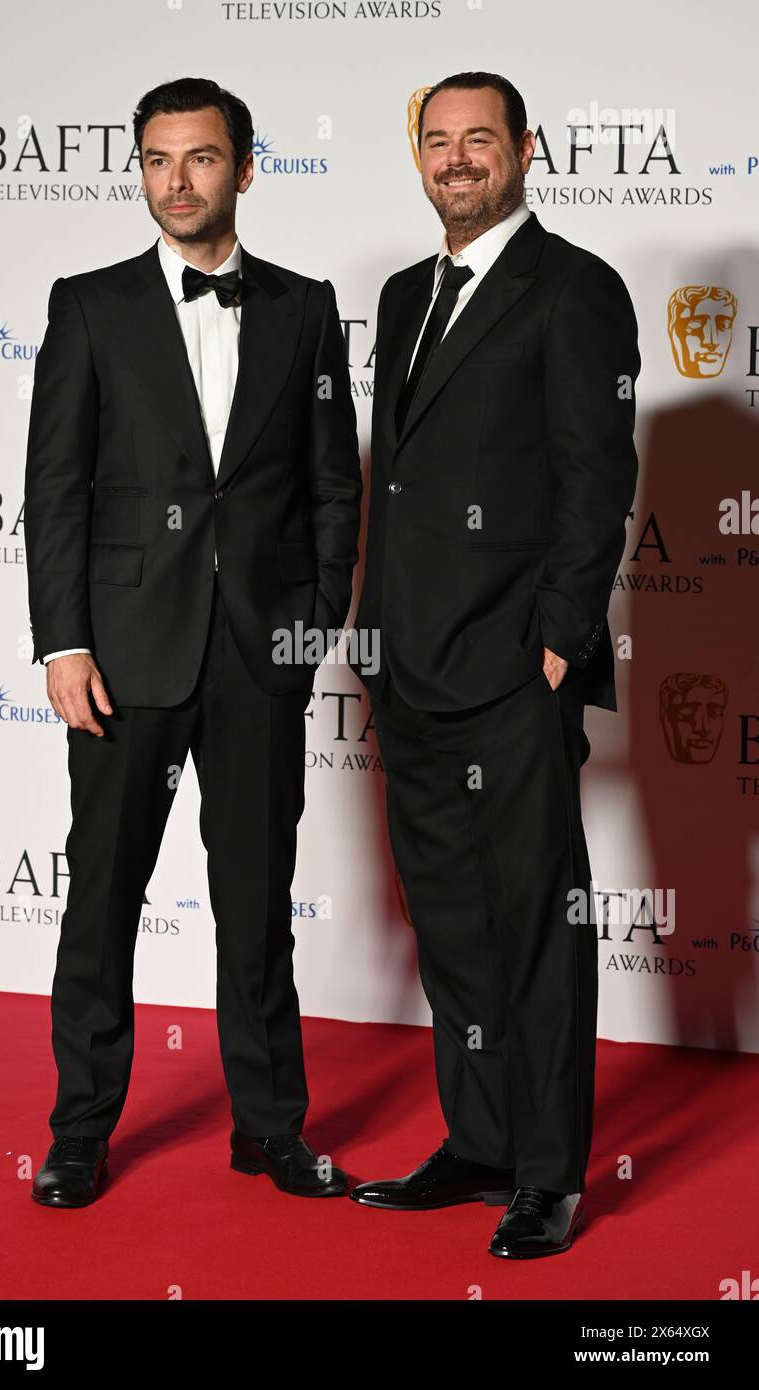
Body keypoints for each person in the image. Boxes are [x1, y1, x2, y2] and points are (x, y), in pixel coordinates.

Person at [24, 77, 361, 1208]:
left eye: (201, 159)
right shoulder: (88, 305)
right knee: (102, 895)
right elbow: (55, 490)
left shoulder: (305, 307)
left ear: (244, 168)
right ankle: (79, 1131)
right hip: (123, 654)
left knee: (256, 902)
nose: (177, 181)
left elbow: (331, 484)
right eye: (157, 160)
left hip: (259, 653)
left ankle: (268, 1128)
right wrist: (63, 642)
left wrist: (312, 616)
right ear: (139, 171)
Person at [349, 71, 640, 1257]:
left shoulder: (573, 289)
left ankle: (544, 1172)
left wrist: (558, 647)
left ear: (525, 150)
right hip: (409, 666)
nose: (456, 159)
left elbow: (596, 481)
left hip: (516, 672)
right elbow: (396, 482)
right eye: (437, 140)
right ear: (417, 156)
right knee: (453, 927)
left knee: (533, 925)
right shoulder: (403, 292)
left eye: (479, 139)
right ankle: (474, 1143)